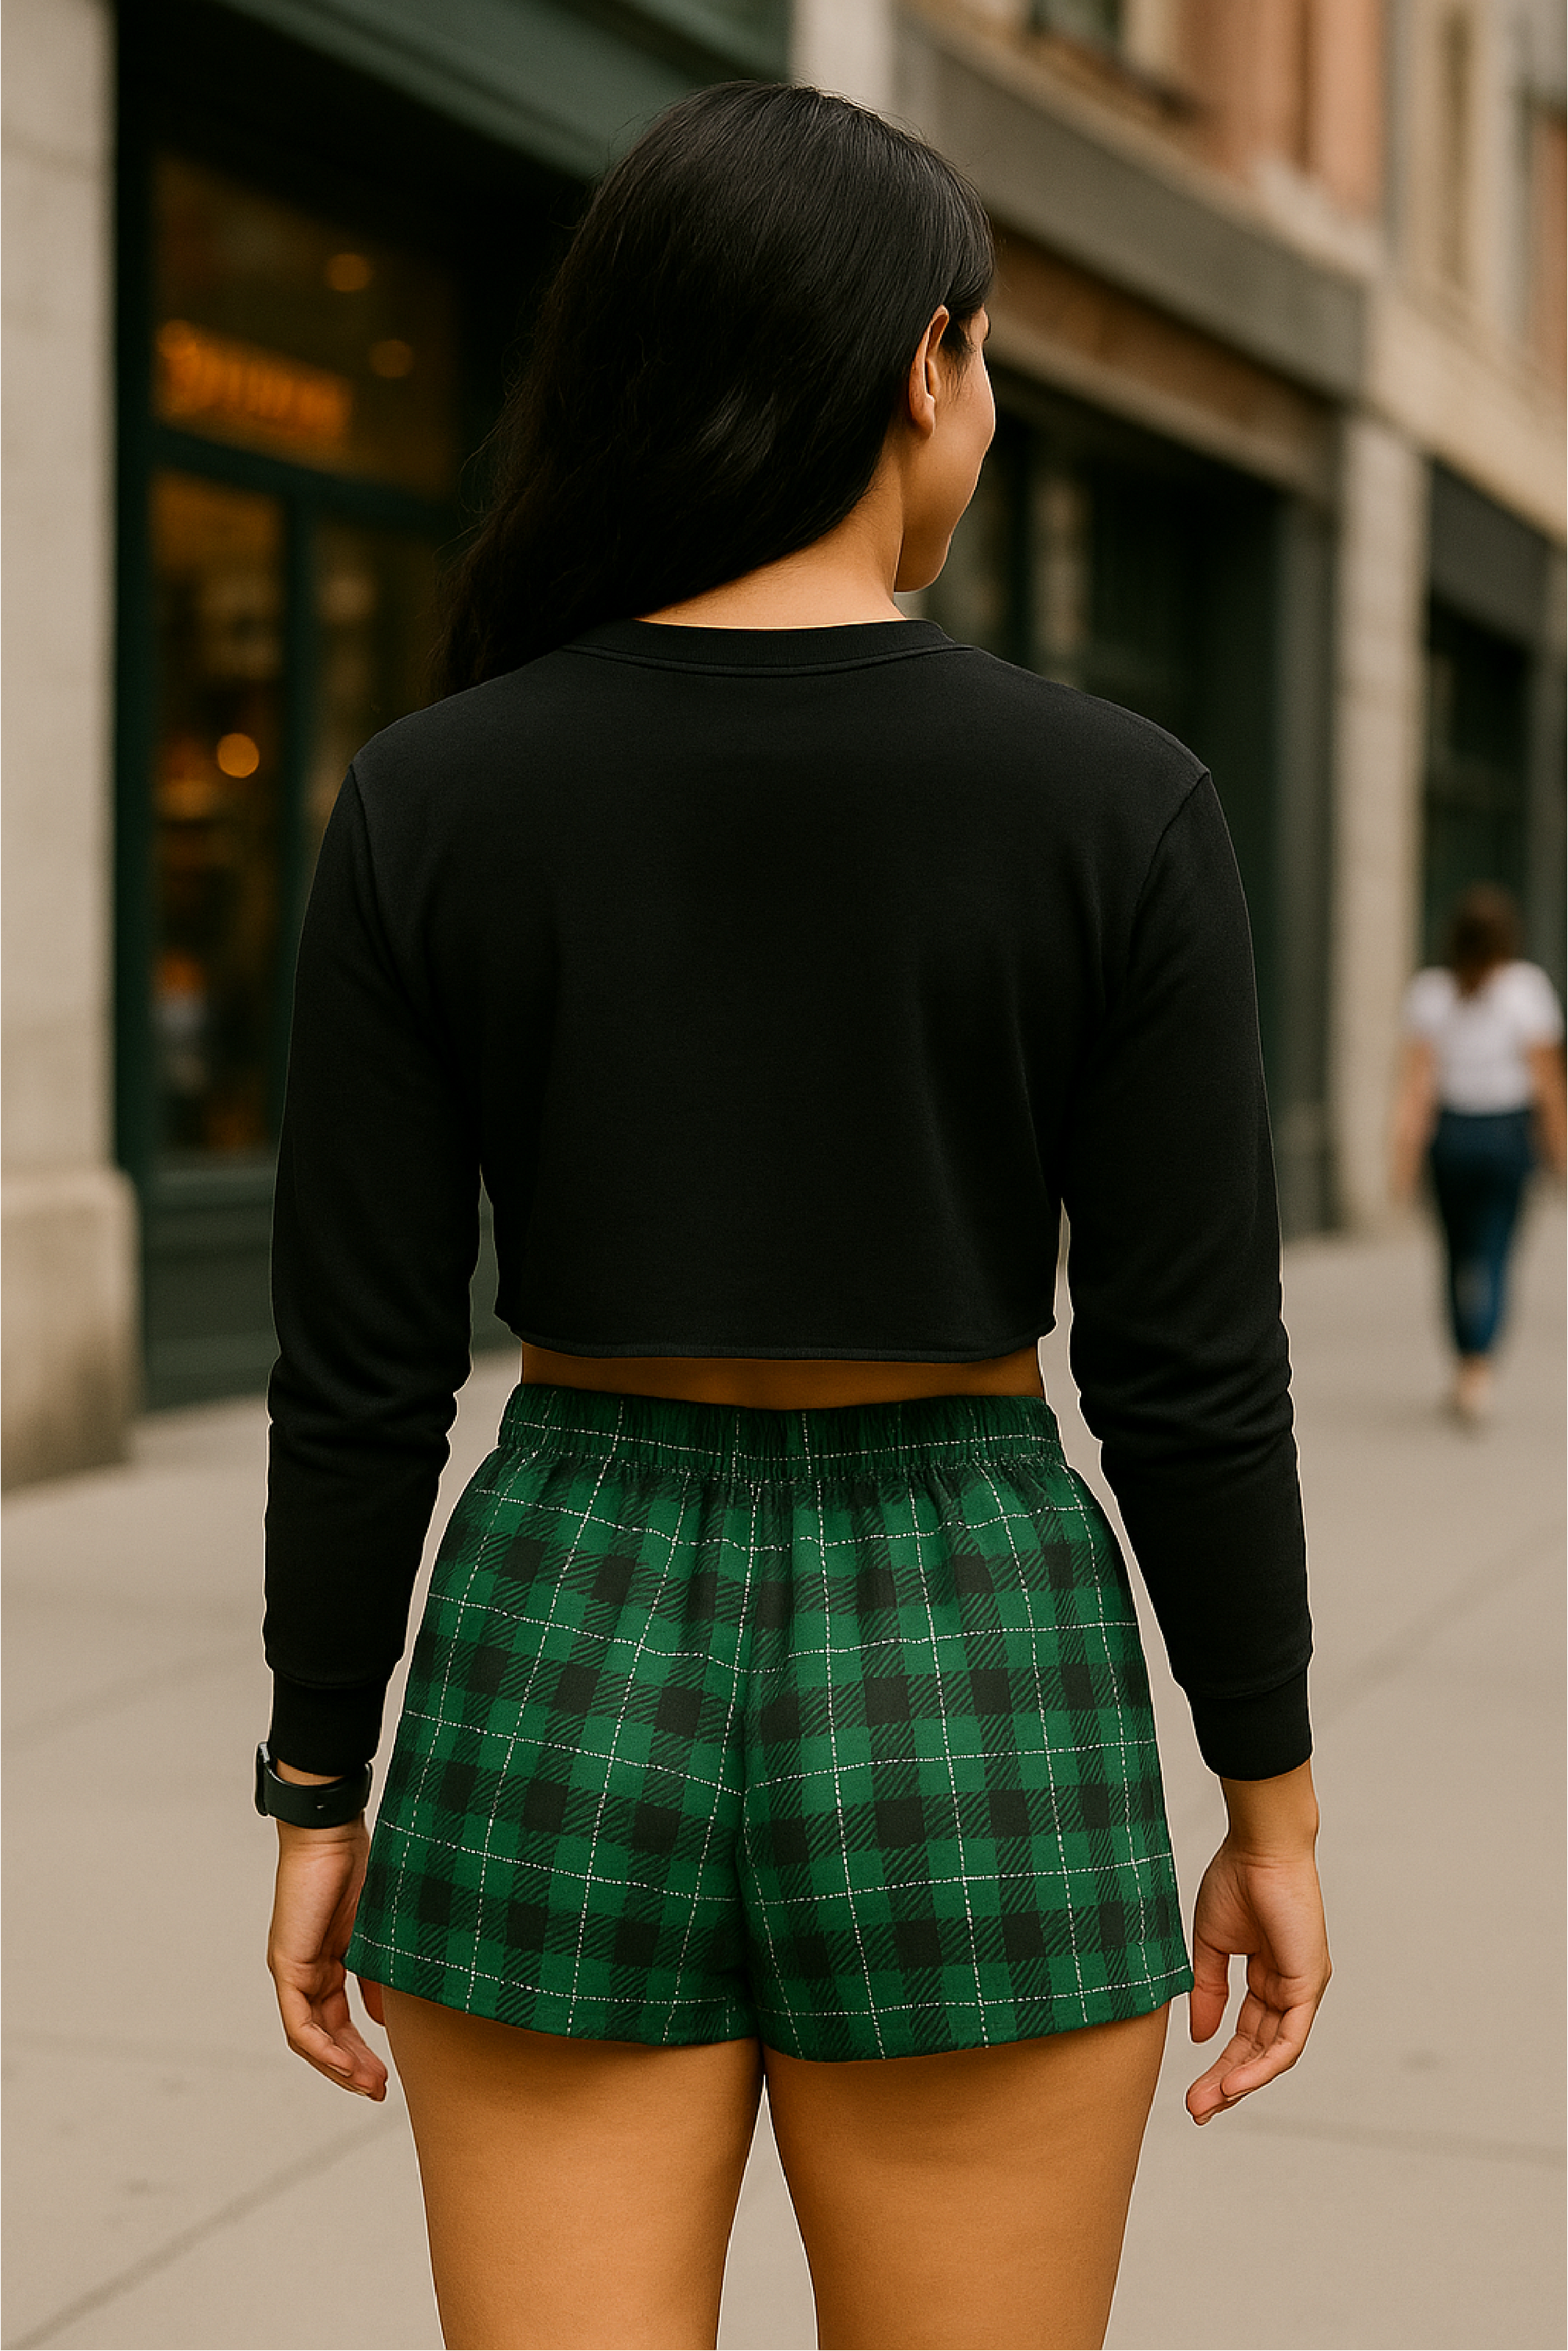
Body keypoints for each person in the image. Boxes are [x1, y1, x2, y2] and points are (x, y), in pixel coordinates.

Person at [258, 83, 1330, 2351]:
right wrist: (1272, 1793)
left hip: (568, 1597)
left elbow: (355, 1360)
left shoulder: (432, 794)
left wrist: (315, 1772)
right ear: (923, 365)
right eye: (993, 361)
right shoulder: (1119, 804)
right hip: (972, 1629)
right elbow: (1188, 1368)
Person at [1392, 883, 1568, 1424]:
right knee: (1494, 1251)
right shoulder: (1527, 990)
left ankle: (1464, 1359)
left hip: (1452, 1136)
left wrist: (1402, 1158)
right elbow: (1547, 1084)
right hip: (1505, 1136)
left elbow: (1417, 1088)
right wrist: (1561, 1155)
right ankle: (1479, 1366)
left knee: (1454, 1252)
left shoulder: (1429, 993)